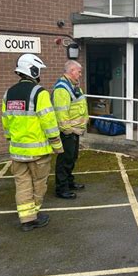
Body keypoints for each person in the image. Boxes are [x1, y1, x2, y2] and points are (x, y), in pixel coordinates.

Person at [2, 53, 63, 232]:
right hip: (38, 152)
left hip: (17, 152)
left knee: (22, 184)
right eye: (38, 71)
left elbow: (6, 121)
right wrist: (57, 145)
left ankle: (26, 219)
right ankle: (34, 214)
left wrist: (11, 139)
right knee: (38, 183)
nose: (39, 75)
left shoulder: (9, 93)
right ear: (32, 70)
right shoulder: (40, 93)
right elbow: (49, 122)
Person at [53, 60, 89, 199]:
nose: (80, 75)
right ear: (71, 71)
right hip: (68, 131)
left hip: (75, 130)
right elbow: (61, 114)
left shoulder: (73, 87)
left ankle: (69, 182)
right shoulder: (62, 89)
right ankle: (61, 188)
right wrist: (68, 130)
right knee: (65, 160)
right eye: (78, 72)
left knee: (72, 158)